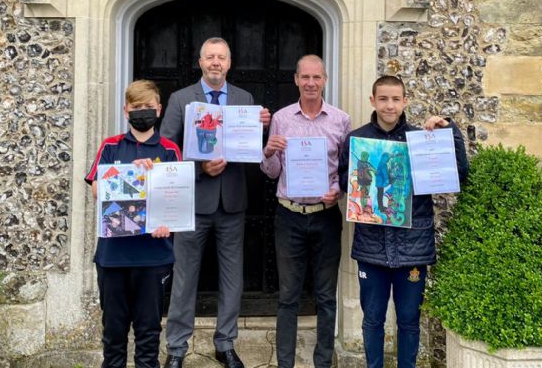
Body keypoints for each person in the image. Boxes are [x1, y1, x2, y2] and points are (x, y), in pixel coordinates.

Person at [338, 75, 469, 368]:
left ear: (405, 101)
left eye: (396, 99)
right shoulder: (357, 140)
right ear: (372, 100)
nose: (389, 105)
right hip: (371, 246)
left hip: (412, 247)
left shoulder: (421, 140)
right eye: (383, 99)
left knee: (409, 320)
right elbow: (346, 183)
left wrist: (450, 131)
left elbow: (458, 174)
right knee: (372, 319)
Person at [162, 37, 270, 368]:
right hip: (193, 202)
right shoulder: (181, 99)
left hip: (233, 202)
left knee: (231, 278)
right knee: (184, 278)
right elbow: (167, 151)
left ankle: (225, 344)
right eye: (209, 57)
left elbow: (251, 149)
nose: (215, 63)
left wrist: (262, 129)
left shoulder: (244, 98)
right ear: (200, 62)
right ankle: (177, 349)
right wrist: (200, 167)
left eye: (221, 57)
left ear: (229, 62)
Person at [260, 55, 351, 368]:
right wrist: (268, 152)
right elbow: (272, 172)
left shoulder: (341, 120)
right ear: (296, 80)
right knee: (288, 296)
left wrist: (338, 190)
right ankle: (284, 362)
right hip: (289, 216)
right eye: (305, 77)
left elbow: (347, 170)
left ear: (324, 80)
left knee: (326, 296)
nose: (311, 83)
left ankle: (322, 361)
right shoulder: (283, 118)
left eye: (317, 77)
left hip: (325, 215)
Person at [85, 80, 181, 368]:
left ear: (159, 109)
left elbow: (176, 199)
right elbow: (95, 190)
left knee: (148, 335)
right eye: (137, 107)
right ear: (126, 110)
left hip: (153, 256)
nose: (143, 112)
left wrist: (169, 224)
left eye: (148, 107)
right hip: (113, 257)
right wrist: (129, 175)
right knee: (113, 335)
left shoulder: (168, 150)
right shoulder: (111, 146)